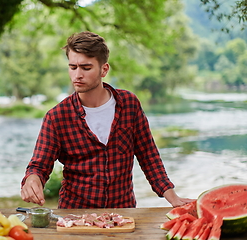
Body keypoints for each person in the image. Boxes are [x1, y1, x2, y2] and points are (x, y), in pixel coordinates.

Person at [21, 31, 193, 209]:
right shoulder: (57, 117)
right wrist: (32, 179)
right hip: (74, 215)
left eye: (86, 68)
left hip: (124, 213)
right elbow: (38, 166)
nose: (77, 75)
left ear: (104, 69)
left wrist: (172, 197)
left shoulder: (129, 104)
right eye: (73, 67)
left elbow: (149, 156)